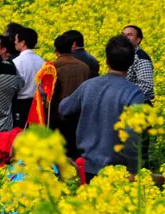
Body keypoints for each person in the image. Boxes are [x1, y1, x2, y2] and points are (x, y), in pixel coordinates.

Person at [59, 35, 146, 178]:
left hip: (85, 167)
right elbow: (133, 135)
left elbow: (64, 109)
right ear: (130, 64)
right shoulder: (134, 93)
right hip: (118, 173)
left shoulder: (89, 85)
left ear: (106, 61)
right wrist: (134, 170)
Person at [50, 31, 93, 160]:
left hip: (58, 117)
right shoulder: (84, 67)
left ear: (56, 49)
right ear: (72, 48)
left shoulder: (52, 67)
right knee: (76, 153)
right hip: (80, 116)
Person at [11, 26, 45, 127]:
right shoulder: (42, 62)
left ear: (23, 42)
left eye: (16, 40)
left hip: (21, 105)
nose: (15, 43)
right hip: (39, 105)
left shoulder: (16, 62)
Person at [122, 25, 155, 105]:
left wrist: (126, 97)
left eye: (129, 35)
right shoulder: (125, 55)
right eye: (123, 35)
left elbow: (146, 85)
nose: (125, 38)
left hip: (138, 106)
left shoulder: (141, 58)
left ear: (138, 40)